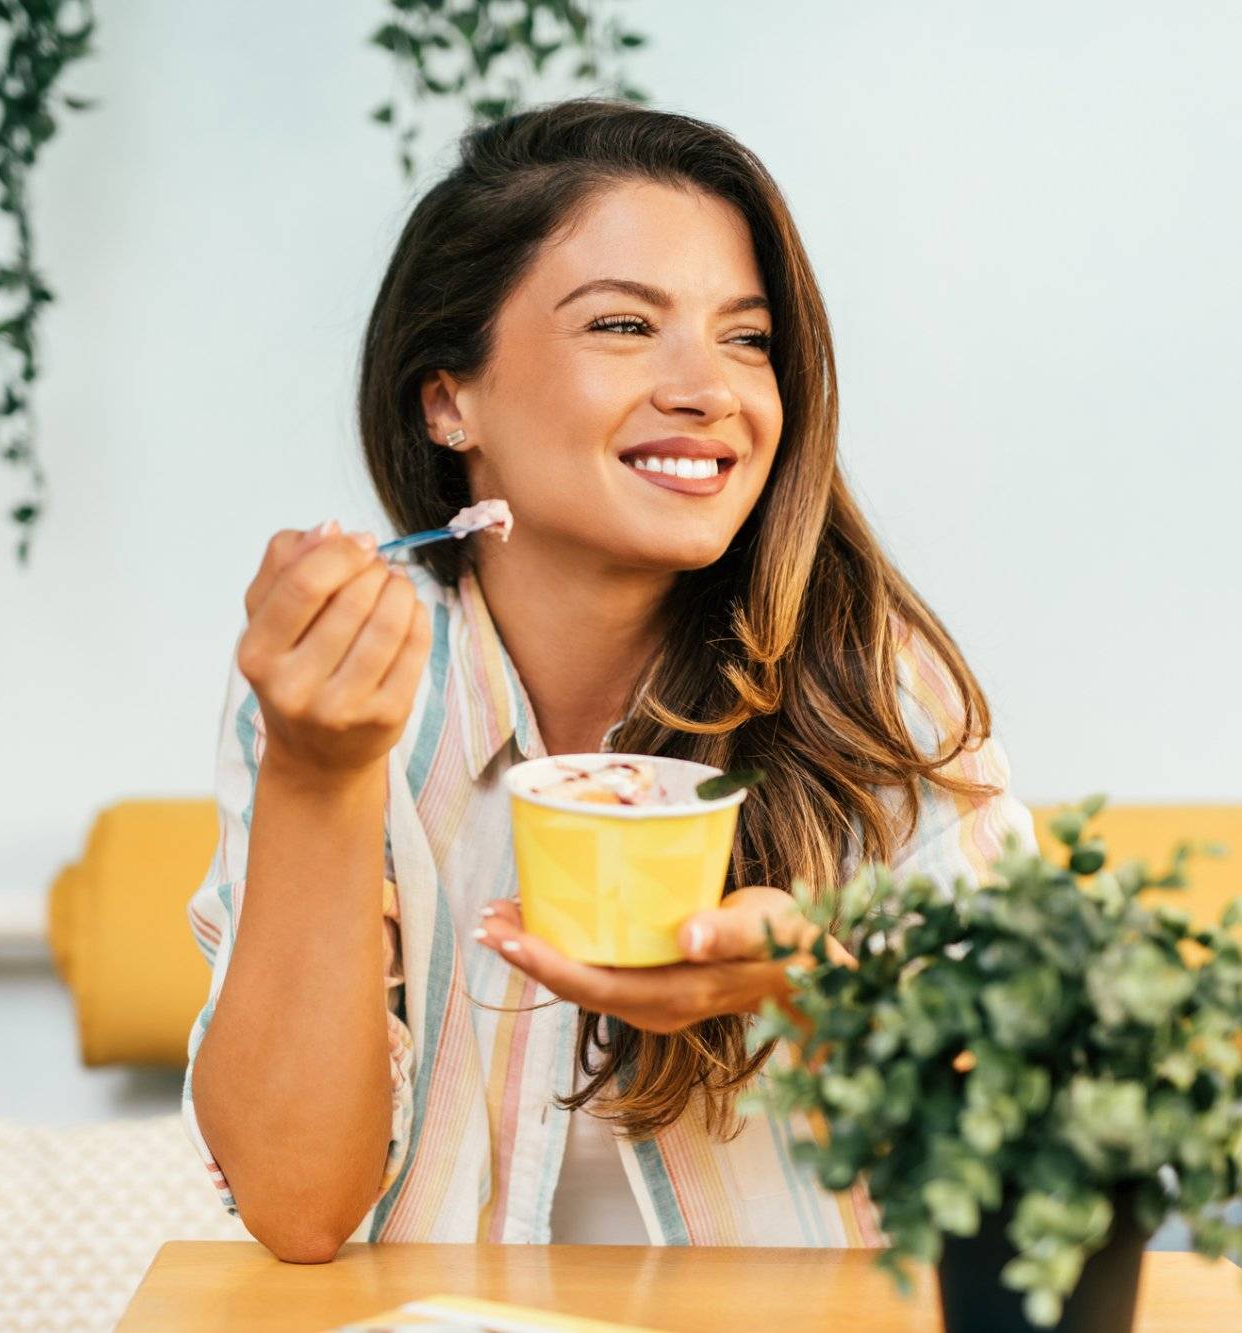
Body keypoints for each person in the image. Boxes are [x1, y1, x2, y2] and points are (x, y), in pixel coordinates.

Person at [180, 97, 1037, 1264]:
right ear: (448, 400)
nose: (709, 389)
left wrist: (813, 990)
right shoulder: (339, 694)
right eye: (625, 326)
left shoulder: (874, 689)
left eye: (746, 338)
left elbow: (1045, 1129)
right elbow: (295, 1203)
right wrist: (318, 774)